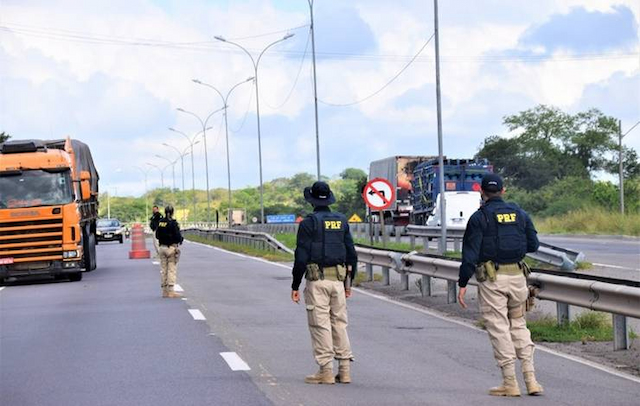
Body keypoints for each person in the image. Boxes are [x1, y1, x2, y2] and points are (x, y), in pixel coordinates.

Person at [457, 174, 543, 397]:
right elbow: (533, 244)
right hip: (518, 278)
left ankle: (510, 383)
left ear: (482, 193)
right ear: (503, 191)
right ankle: (531, 380)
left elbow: (470, 254)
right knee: (519, 325)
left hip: (493, 280)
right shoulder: (521, 214)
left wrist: (463, 282)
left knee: (499, 327)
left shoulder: (479, 217)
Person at [291, 181, 358, 385]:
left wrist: (295, 285)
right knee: (339, 323)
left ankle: (326, 371)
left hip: (317, 281)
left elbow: (301, 257)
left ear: (311, 200)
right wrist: (348, 284)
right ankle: (345, 370)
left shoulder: (308, 223)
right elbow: (351, 255)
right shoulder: (341, 221)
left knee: (320, 325)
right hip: (338, 282)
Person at [155, 205, 184, 298]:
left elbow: (157, 235)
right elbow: (177, 236)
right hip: (171, 248)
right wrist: (180, 240)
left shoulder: (160, 222)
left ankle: (164, 291)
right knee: (171, 269)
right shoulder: (173, 223)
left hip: (162, 248)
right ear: (172, 212)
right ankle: (171, 291)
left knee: (164, 269)